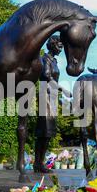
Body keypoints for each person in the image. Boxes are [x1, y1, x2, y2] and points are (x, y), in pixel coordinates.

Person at [33, 35, 72, 173]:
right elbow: (46, 77)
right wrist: (64, 90)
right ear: (52, 45)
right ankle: (38, 163)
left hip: (53, 97)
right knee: (44, 131)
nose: (61, 49)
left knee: (48, 133)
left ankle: (39, 162)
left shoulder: (54, 61)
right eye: (59, 46)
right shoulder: (45, 59)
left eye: (62, 47)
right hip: (45, 96)